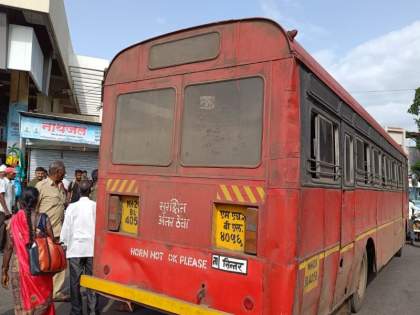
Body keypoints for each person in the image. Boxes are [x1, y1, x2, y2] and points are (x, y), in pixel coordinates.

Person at [1, 187, 55, 314]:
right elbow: (51, 241)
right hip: (40, 267)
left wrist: (4, 270)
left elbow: (8, 248)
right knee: (43, 300)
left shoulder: (13, 221)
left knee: (22, 303)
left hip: (19, 268)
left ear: (20, 202)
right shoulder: (43, 218)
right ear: (37, 202)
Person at [60, 180, 98, 315]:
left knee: (75, 282)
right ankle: (93, 310)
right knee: (92, 281)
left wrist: (64, 243)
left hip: (75, 248)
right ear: (91, 190)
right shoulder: (95, 206)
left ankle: (76, 311)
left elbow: (66, 227)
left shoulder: (71, 207)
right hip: (92, 248)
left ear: (78, 191)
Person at [36, 161, 68, 301]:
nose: (65, 174)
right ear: (57, 172)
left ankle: (55, 292)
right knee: (43, 263)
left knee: (59, 263)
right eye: (64, 172)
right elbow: (34, 209)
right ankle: (41, 290)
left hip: (58, 233)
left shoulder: (60, 187)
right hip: (43, 234)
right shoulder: (41, 186)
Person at [0, 164, 11, 252]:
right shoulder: (2, 181)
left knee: (4, 228)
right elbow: (1, 196)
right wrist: (6, 210)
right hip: (2, 210)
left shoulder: (8, 182)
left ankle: (1, 246)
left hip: (6, 209)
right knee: (2, 228)